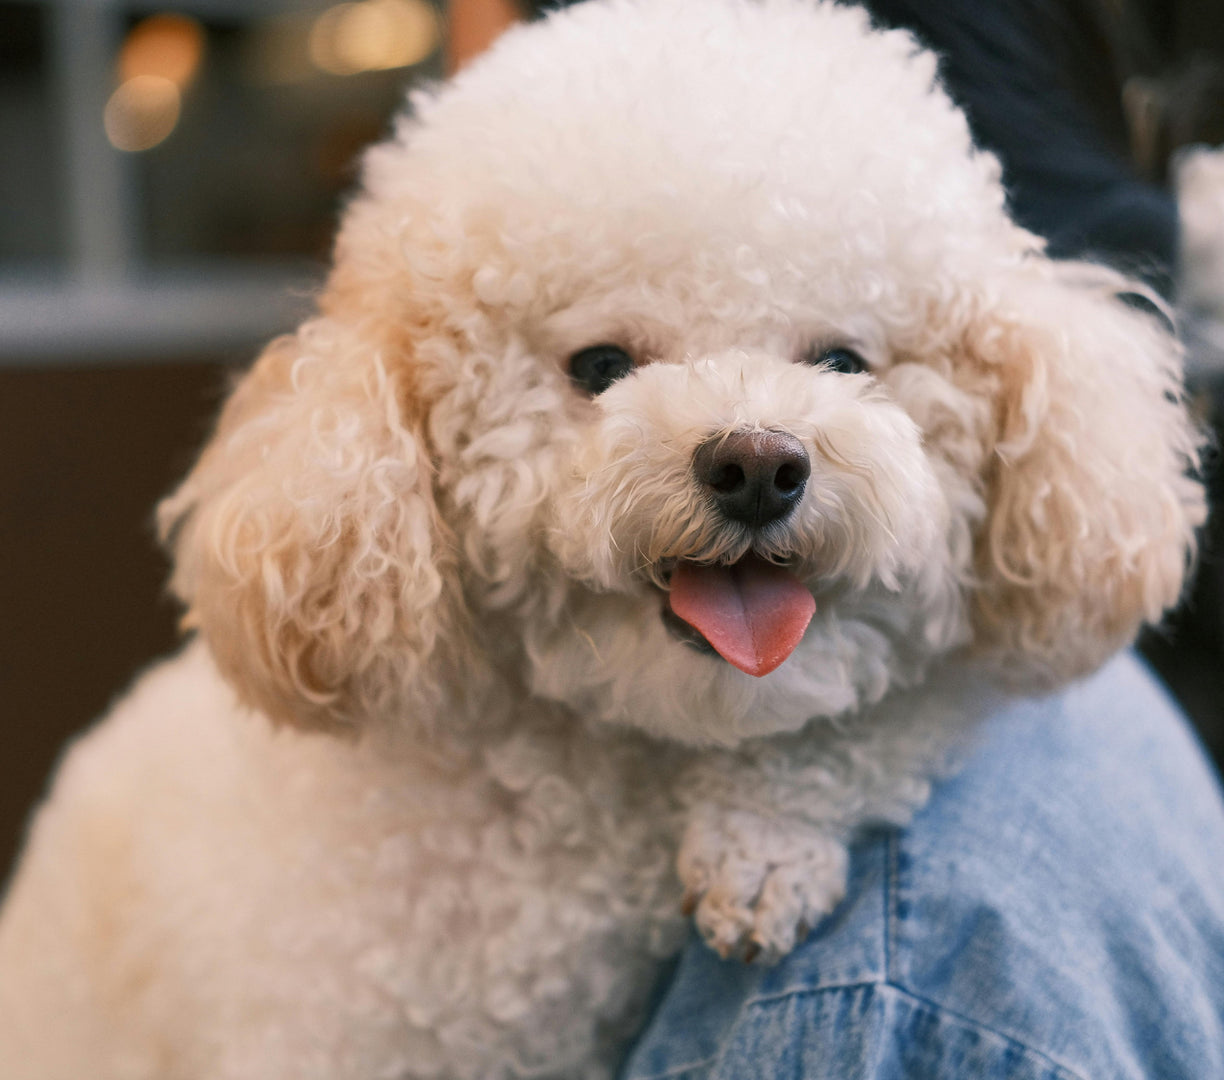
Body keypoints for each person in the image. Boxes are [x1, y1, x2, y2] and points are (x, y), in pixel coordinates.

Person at [445, 1, 1224, 1076]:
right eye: (605, 369)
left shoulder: (887, 981)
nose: (753, 444)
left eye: (840, 361)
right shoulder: (1102, 733)